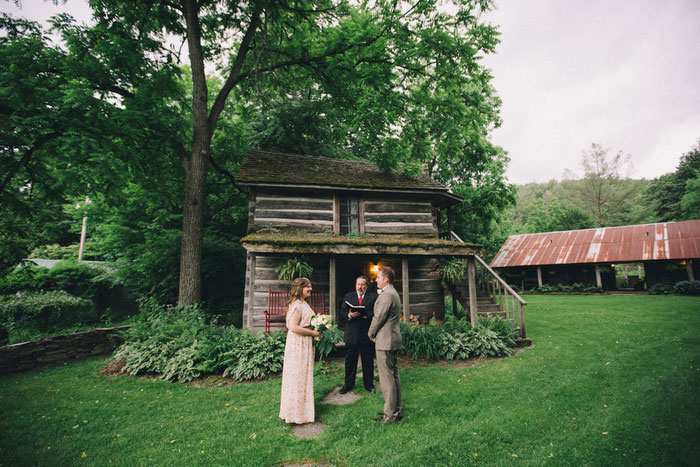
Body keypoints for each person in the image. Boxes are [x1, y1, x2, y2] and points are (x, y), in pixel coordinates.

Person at [279, 277, 322, 424]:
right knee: (297, 377)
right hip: (298, 344)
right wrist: (313, 333)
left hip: (304, 343)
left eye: (310, 286)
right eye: (307, 287)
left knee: (303, 376)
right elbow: (293, 327)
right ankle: (295, 414)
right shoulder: (297, 305)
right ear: (300, 289)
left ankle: (303, 412)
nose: (310, 288)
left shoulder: (304, 303)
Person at [368, 266, 403, 424]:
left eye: (379, 277)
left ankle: (389, 416)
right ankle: (396, 411)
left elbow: (378, 318)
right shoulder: (393, 292)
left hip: (385, 340)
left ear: (386, 279)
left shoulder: (387, 295)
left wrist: (371, 333)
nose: (376, 280)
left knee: (387, 378)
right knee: (394, 376)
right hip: (393, 338)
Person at [339, 275, 377, 394]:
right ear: (355, 285)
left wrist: (364, 314)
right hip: (351, 335)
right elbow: (342, 313)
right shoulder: (348, 296)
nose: (360, 287)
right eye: (358, 284)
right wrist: (350, 315)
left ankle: (369, 384)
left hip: (366, 334)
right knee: (350, 361)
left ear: (366, 286)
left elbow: (376, 313)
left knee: (368, 361)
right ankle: (348, 384)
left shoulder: (373, 297)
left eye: (362, 284)